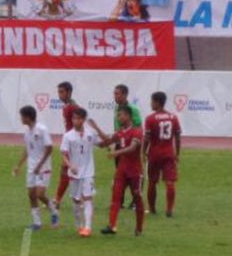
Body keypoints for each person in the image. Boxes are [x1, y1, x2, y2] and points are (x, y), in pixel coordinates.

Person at [89, 109, 145, 237]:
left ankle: (139, 228)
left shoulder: (137, 131)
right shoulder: (119, 133)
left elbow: (133, 148)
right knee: (116, 196)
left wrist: (116, 153)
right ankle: (112, 226)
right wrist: (95, 129)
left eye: (120, 115)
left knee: (137, 198)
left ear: (128, 116)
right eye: (117, 115)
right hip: (122, 170)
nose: (118, 118)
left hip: (135, 171)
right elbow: (106, 142)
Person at [12, 105, 60, 231]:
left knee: (39, 194)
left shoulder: (42, 129)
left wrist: (39, 165)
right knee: (31, 194)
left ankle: (54, 212)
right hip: (32, 168)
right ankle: (37, 222)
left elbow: (49, 148)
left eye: (22, 116)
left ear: (28, 117)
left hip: (43, 167)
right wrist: (18, 165)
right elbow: (28, 150)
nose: (21, 119)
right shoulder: (27, 132)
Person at [60, 108, 103, 237]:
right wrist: (70, 166)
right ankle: (79, 225)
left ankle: (87, 227)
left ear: (83, 120)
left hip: (88, 172)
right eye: (74, 118)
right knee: (76, 201)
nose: (75, 121)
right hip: (74, 173)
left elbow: (102, 144)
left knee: (88, 198)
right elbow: (64, 154)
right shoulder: (68, 136)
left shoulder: (91, 133)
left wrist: (101, 132)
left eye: (78, 118)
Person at [144, 91, 181, 217]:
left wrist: (143, 152)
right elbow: (177, 136)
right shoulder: (173, 117)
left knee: (152, 182)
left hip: (154, 154)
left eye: (152, 101)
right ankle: (169, 209)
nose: (151, 104)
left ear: (157, 102)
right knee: (170, 182)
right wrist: (178, 153)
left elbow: (147, 138)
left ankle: (152, 209)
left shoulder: (150, 118)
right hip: (169, 154)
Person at [54, 81, 79, 206]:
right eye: (58, 92)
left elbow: (79, 125)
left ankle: (58, 200)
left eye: (62, 92)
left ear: (69, 92)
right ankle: (58, 199)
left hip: (74, 143)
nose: (59, 95)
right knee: (67, 170)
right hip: (69, 142)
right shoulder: (67, 106)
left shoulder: (73, 107)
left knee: (69, 170)